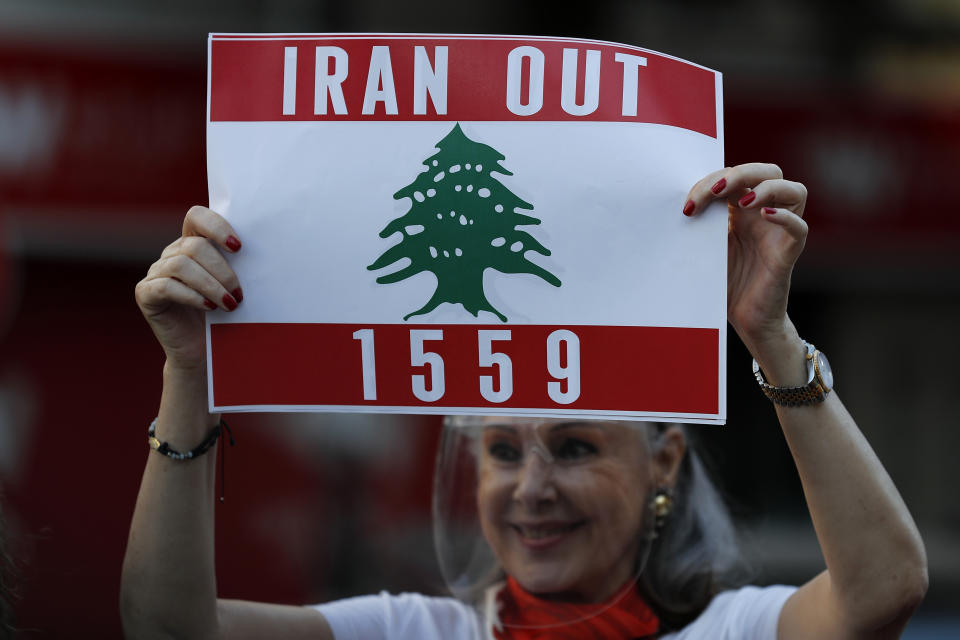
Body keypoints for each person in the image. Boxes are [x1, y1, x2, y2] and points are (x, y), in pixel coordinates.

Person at [120, 163, 928, 639]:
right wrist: (189, 373)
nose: (531, 489)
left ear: (665, 458)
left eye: (575, 447)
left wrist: (770, 335)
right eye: (503, 450)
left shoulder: (735, 629)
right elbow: (167, 627)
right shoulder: (418, 631)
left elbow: (885, 587)